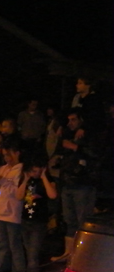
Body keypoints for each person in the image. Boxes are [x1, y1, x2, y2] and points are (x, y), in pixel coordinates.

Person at [51, 109, 101, 261]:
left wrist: (75, 147)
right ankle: (69, 253)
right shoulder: (67, 135)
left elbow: (96, 155)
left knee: (83, 220)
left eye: (73, 120)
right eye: (69, 120)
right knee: (69, 220)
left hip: (82, 184)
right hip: (67, 183)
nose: (70, 123)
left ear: (81, 120)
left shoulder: (90, 136)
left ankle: (84, 256)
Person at [0, 138, 26, 272]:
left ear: (17, 153)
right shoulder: (3, 168)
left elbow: (17, 192)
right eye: (4, 155)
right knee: (3, 244)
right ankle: (2, 269)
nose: (7, 158)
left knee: (15, 245)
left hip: (13, 213)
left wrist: (1, 181)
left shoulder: (21, 170)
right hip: (0, 212)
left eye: (9, 154)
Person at [16, 153, 57, 272]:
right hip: (25, 220)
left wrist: (44, 177)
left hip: (39, 222)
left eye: (38, 171)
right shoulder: (27, 180)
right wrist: (25, 180)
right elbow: (19, 196)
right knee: (28, 251)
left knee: (33, 254)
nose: (35, 174)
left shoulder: (47, 181)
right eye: (33, 171)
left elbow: (53, 195)